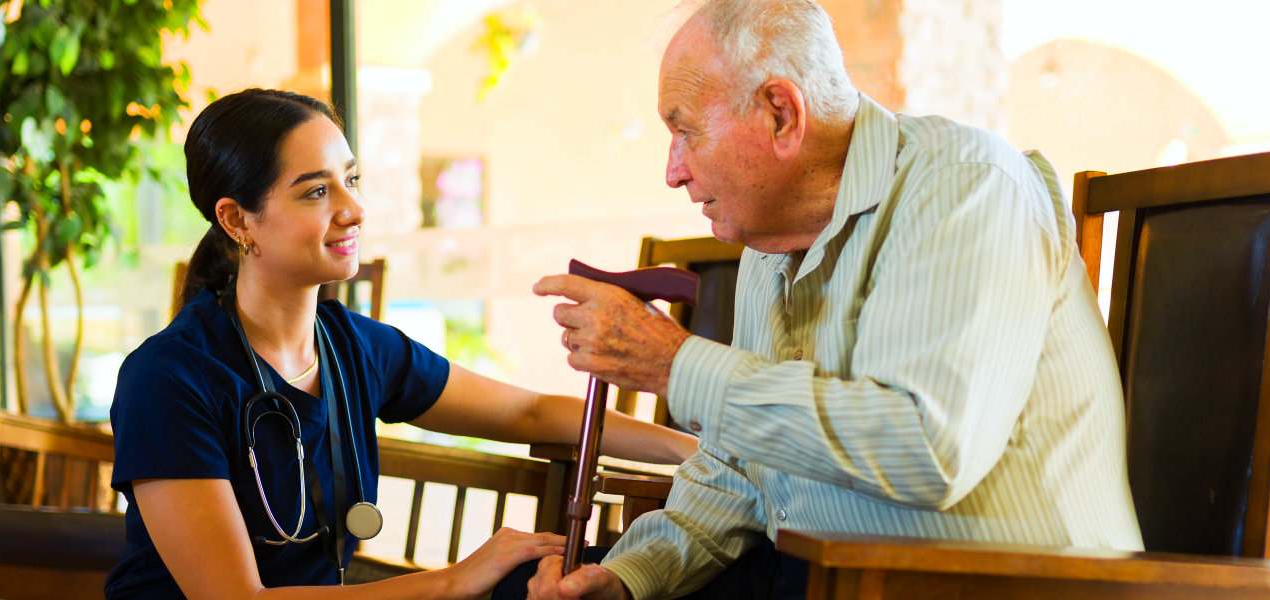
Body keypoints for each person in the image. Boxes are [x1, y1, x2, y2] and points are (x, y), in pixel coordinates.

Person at [519, 1, 1144, 598]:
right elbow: (735, 472)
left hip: (996, 585)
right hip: (823, 575)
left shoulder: (968, 186)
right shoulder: (770, 246)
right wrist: (629, 577)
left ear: (781, 115)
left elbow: (928, 451)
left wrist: (675, 365)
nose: (673, 170)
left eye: (684, 131)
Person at [106, 88, 698, 600]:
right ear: (238, 220)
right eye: (316, 192)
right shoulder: (168, 377)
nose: (354, 209)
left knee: (569, 580)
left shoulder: (352, 349)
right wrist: (450, 582)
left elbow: (530, 411)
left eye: (352, 180)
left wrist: (694, 451)